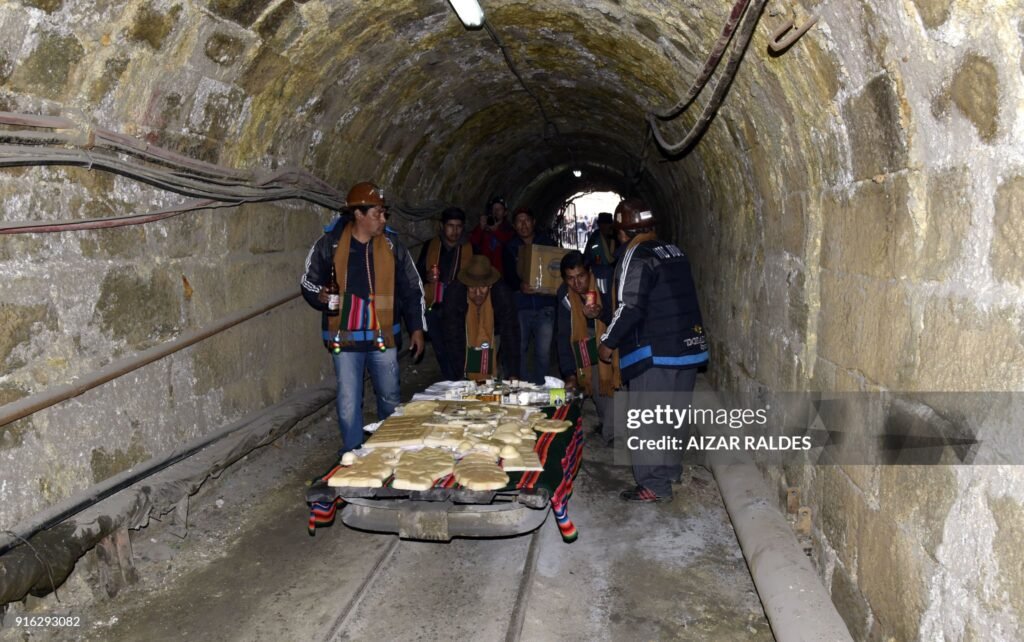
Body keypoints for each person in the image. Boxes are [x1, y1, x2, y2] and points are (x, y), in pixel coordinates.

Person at [300, 182, 426, 455]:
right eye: (377, 213)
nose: (383, 219)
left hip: (384, 337)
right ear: (358, 214)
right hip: (345, 341)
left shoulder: (392, 246)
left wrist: (417, 327)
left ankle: (388, 450)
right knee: (348, 401)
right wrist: (319, 295)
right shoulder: (329, 244)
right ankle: (354, 453)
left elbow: (411, 288)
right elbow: (308, 283)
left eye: (384, 213)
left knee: (390, 397)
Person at [597, 197, 708, 503]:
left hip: (655, 351)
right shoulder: (674, 250)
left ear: (621, 233)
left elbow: (629, 305)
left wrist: (608, 342)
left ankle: (653, 484)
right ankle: (669, 470)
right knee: (672, 415)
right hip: (687, 347)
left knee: (647, 420)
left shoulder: (636, 254)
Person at [555, 251, 619, 445]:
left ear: (589, 271)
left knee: (613, 379)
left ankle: (614, 431)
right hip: (584, 338)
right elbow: (563, 335)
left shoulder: (606, 281)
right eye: (571, 279)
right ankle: (610, 429)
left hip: (612, 332)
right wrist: (569, 374)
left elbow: (622, 315)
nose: (577, 284)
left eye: (581, 276)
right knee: (594, 380)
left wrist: (602, 314)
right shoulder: (565, 295)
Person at [502, 207, 558, 385]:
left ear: (533, 222)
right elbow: (508, 275)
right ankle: (524, 386)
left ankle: (541, 385)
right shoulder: (510, 248)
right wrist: (519, 286)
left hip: (545, 306)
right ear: (514, 225)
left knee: (543, 351)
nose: (523, 224)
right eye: (519, 221)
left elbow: (556, 271)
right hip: (521, 307)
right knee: (520, 348)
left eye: (527, 220)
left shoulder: (548, 244)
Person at [416, 207, 473, 381]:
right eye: (450, 226)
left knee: (457, 346)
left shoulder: (469, 249)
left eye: (458, 226)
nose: (454, 231)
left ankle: (460, 378)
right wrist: (426, 277)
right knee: (440, 347)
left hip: (459, 308)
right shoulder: (431, 246)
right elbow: (417, 274)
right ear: (442, 226)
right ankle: (450, 380)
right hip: (435, 304)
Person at [442, 255, 520, 381]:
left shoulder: (502, 293)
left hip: (494, 333)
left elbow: (511, 333)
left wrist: (513, 372)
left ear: (490, 285)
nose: (478, 293)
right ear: (466, 285)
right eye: (472, 287)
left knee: (495, 377)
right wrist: (460, 375)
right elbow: (453, 336)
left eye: (483, 287)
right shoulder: (454, 294)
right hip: (465, 336)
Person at [470, 195, 515, 271]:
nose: (496, 211)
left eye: (499, 209)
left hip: (501, 273)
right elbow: (472, 243)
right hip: (483, 270)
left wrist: (496, 231)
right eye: (494, 208)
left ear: (505, 212)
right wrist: (480, 228)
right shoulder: (484, 226)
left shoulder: (509, 229)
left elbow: (510, 244)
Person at [583, 212, 617, 295]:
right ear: (599, 225)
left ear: (611, 224)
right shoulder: (594, 237)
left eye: (607, 224)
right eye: (602, 224)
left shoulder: (617, 237)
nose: (604, 226)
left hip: (615, 274)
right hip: (599, 273)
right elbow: (587, 255)